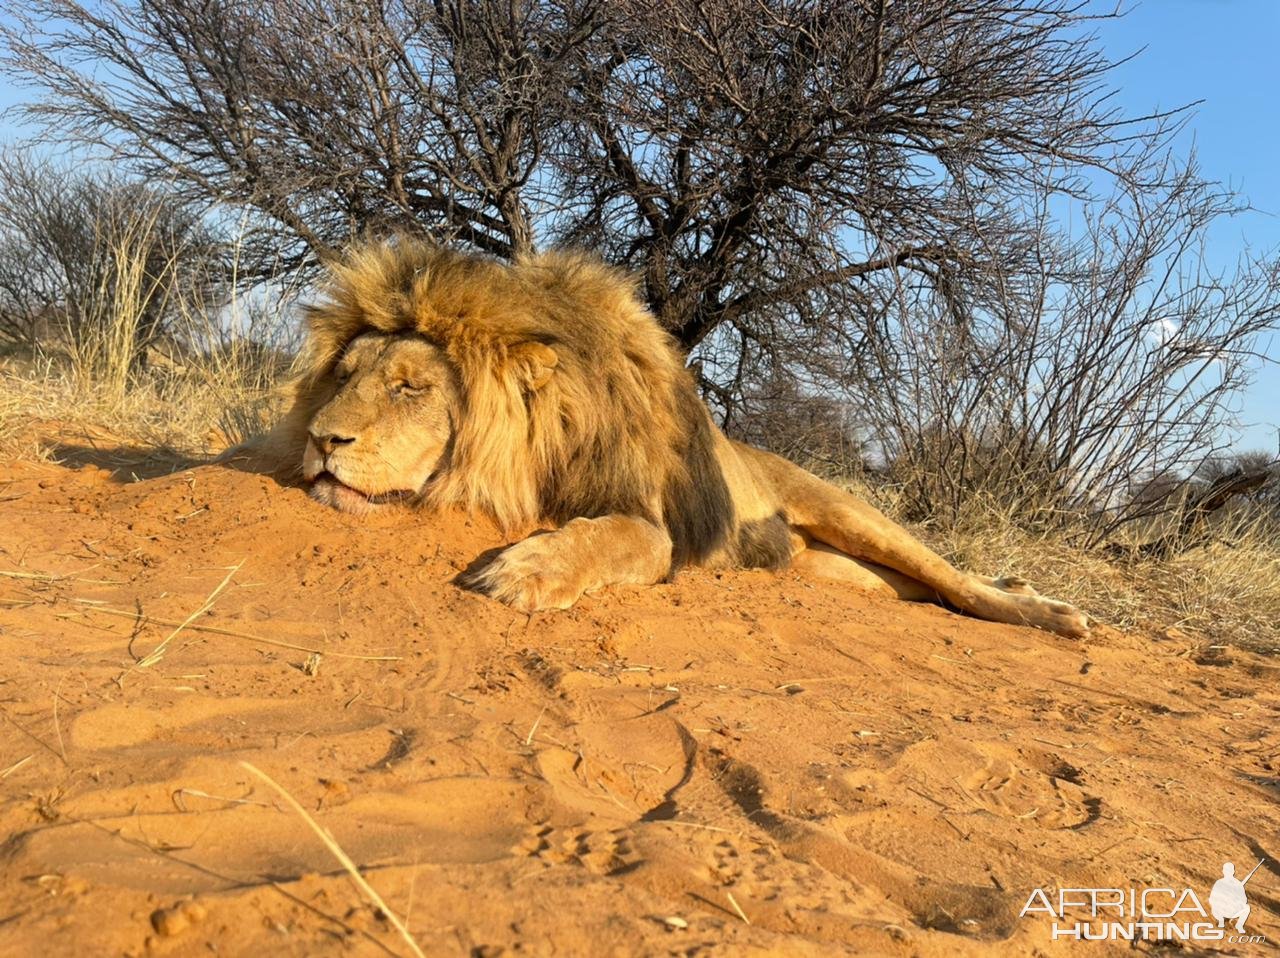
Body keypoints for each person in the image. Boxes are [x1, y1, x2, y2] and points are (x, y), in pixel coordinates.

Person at [1209, 862, 1251, 933]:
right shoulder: (1219, 883)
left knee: (1246, 908)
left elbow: (1244, 899)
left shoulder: (1237, 884)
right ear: (1223, 871)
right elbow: (1213, 897)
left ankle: (1239, 926)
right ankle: (1222, 921)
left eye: (1230, 870)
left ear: (1233, 872)